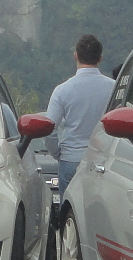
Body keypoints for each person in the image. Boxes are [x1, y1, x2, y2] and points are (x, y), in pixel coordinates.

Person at [44, 32, 114, 198]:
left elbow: (49, 129)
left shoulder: (62, 90)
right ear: (100, 58)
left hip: (71, 158)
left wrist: (58, 153)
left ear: (75, 55)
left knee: (69, 208)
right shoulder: (114, 89)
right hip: (104, 160)